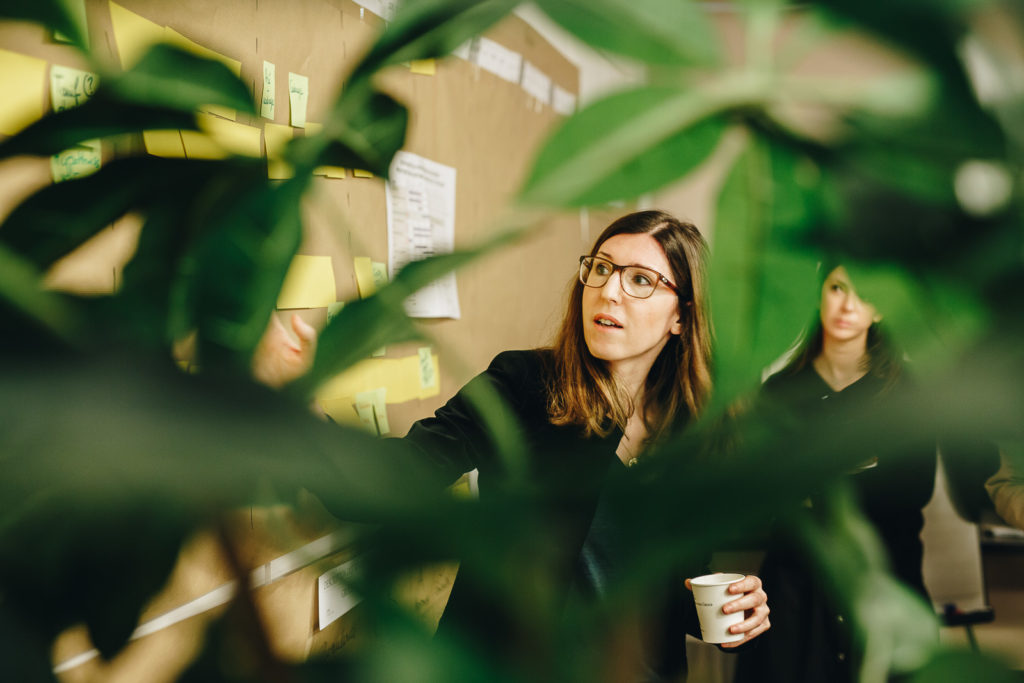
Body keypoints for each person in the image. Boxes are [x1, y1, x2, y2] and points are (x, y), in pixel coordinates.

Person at [255, 210, 771, 679]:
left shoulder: (692, 438)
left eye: (640, 280)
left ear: (682, 315)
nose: (609, 291)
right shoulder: (525, 384)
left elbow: (669, 605)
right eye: (601, 268)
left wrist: (732, 614)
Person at [732, 265, 936, 683]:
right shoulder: (781, 393)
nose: (847, 305)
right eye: (838, 289)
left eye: (862, 294)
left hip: (888, 579)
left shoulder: (908, 394)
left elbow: (914, 490)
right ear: (819, 295)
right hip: (793, 588)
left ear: (880, 309)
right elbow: (768, 496)